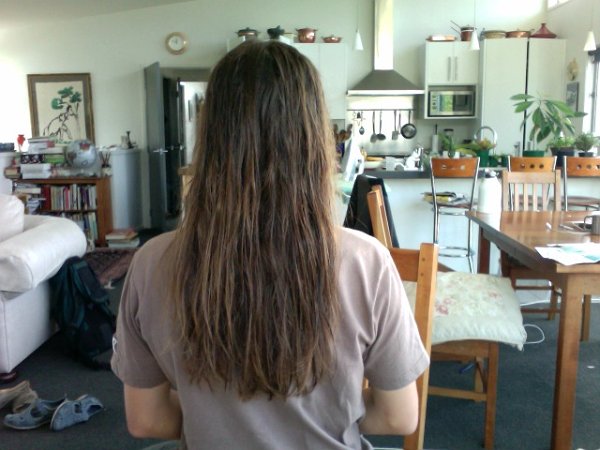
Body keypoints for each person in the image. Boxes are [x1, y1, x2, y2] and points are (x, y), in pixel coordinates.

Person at [111, 40, 428, 449]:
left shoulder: (151, 262)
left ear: (211, 137)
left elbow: (147, 420)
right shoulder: (367, 263)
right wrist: (331, 413)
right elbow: (399, 415)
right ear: (313, 141)